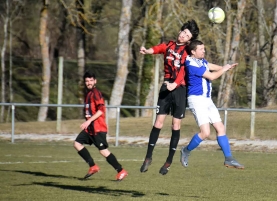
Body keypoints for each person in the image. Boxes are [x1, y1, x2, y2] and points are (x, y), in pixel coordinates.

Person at [139, 20, 199, 175]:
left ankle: (169, 161)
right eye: (183, 32)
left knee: (175, 125)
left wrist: (176, 84)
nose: (183, 35)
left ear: (189, 40)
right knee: (158, 121)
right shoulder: (170, 45)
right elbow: (159, 48)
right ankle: (148, 157)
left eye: (187, 35)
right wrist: (148, 51)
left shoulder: (188, 52)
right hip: (167, 87)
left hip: (180, 90)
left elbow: (183, 71)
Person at [180, 40, 244, 169]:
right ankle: (185, 151)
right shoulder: (190, 64)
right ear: (193, 51)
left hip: (207, 100)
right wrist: (224, 69)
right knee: (205, 133)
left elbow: (210, 66)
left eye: (204, 48)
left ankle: (229, 159)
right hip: (196, 100)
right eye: (201, 49)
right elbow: (211, 76)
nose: (204, 51)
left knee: (220, 128)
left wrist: (226, 67)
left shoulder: (201, 61)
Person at [74, 71, 128, 181]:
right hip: (90, 129)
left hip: (98, 128)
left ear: (95, 81)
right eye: (87, 81)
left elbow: (101, 110)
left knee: (103, 151)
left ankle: (121, 171)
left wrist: (89, 121)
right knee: (77, 143)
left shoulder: (96, 93)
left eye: (91, 80)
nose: (88, 83)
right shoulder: (88, 94)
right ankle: (93, 166)